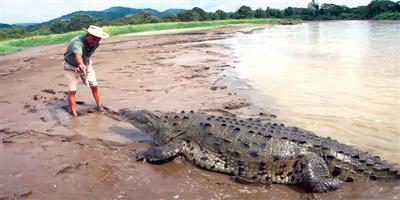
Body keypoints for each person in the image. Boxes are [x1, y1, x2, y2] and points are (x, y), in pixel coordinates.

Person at [63, 25, 109, 116]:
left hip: (86, 65)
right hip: (70, 66)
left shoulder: (96, 44)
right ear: (88, 35)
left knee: (94, 85)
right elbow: (78, 54)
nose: (96, 41)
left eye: (98, 39)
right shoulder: (77, 42)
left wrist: (84, 66)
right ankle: (73, 113)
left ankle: (99, 105)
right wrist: (80, 64)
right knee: (72, 90)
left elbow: (86, 55)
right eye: (94, 38)